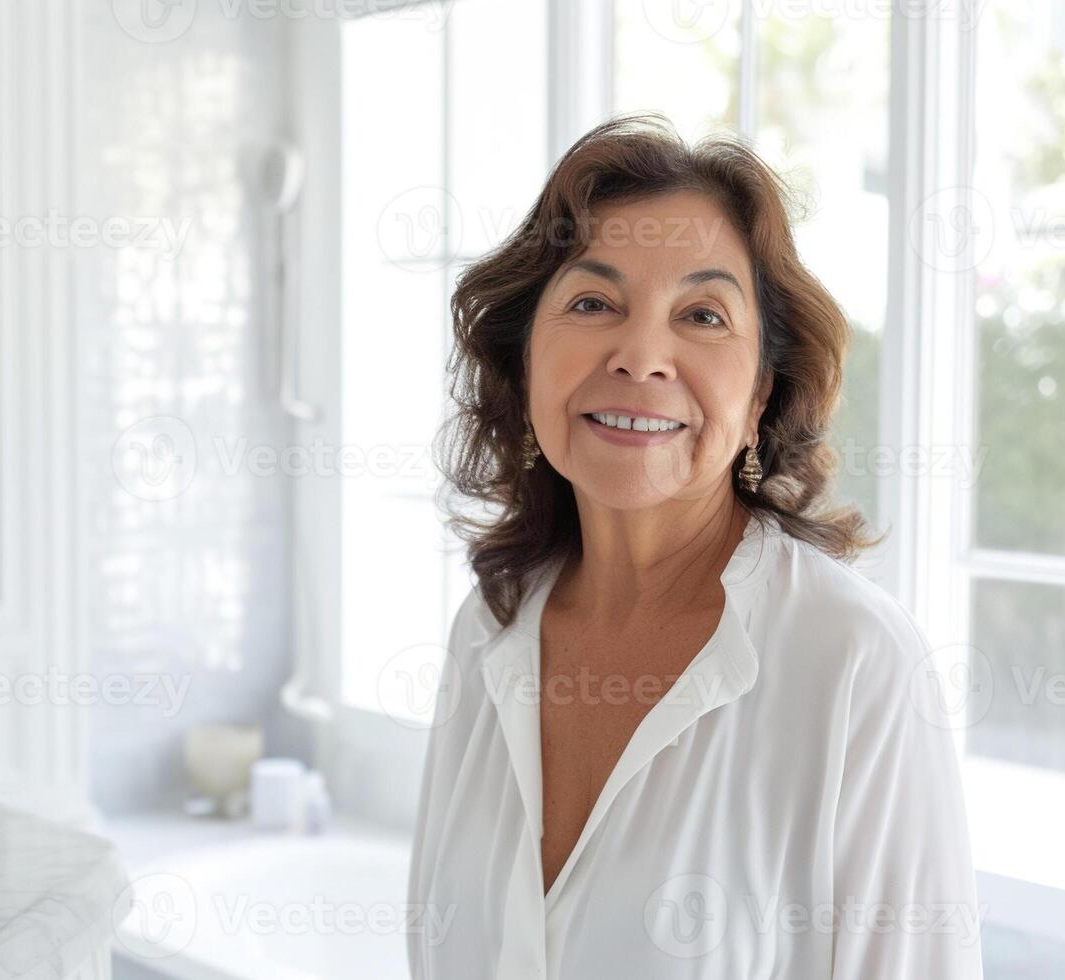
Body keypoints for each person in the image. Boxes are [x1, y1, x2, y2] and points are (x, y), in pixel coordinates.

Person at [409, 112, 984, 979]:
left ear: (759, 397)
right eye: (594, 302)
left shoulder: (854, 664)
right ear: (526, 360)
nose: (641, 356)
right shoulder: (488, 627)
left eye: (704, 315)